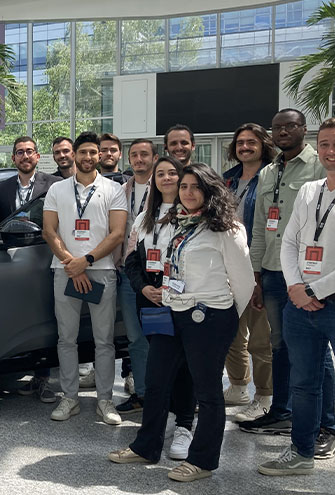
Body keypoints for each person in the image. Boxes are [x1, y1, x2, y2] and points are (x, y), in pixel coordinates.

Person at [109, 163, 255, 483]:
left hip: (209, 316)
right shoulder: (177, 222)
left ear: (210, 189)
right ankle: (146, 446)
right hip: (172, 311)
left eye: (195, 187)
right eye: (184, 186)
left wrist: (225, 318)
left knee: (207, 391)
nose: (188, 192)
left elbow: (244, 282)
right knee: (157, 381)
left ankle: (202, 461)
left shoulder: (227, 229)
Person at [258, 117, 335, 495]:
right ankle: (301, 452)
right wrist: (296, 287)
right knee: (304, 386)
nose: (331, 151)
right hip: (301, 306)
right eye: (324, 144)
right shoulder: (309, 190)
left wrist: (315, 290)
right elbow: (290, 241)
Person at [240, 109, 335, 461]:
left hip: (306, 276)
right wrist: (255, 274)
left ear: (303, 129)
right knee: (279, 345)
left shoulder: (318, 166)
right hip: (271, 271)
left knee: (316, 351)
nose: (283, 132)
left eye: (290, 126)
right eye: (277, 128)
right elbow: (259, 226)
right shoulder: (269, 171)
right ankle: (281, 412)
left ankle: (329, 428)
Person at [42, 131, 127, 425]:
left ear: (100, 155)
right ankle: (70, 398)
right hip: (64, 269)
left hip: (101, 270)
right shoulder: (57, 189)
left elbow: (117, 233)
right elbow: (49, 231)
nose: (88, 157)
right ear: (75, 155)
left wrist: (86, 261)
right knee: (66, 338)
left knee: (104, 340)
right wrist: (72, 263)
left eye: (93, 152)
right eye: (83, 152)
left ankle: (105, 400)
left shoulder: (113, 189)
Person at [119, 157, 196, 462]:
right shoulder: (144, 217)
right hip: (150, 300)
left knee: (184, 366)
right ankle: (158, 428)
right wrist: (143, 288)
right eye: (160, 173)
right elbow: (131, 260)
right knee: (159, 366)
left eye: (172, 173)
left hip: (182, 299)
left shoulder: (192, 214)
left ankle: (185, 425)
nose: (166, 178)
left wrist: (170, 289)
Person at [0, 136, 60, 403]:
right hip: (11, 262)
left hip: (43, 258)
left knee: (45, 317)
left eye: (30, 151)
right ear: (13, 158)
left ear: (37, 156)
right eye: (20, 152)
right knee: (21, 318)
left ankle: (43, 378)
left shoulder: (54, 184)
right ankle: (20, 372)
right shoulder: (2, 188)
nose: (25, 156)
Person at [222, 123, 276, 422]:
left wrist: (258, 271)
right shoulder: (228, 179)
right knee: (231, 332)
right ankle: (238, 387)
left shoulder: (271, 176)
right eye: (240, 142)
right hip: (228, 266)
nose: (245, 146)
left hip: (259, 266)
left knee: (259, 338)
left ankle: (264, 396)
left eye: (251, 141)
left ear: (263, 145)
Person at [114, 139, 158, 415]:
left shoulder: (165, 187)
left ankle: (172, 394)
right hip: (128, 275)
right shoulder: (121, 191)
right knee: (136, 339)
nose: (139, 159)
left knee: (165, 338)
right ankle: (142, 393)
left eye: (144, 154)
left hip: (158, 276)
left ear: (155, 158)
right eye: (134, 155)